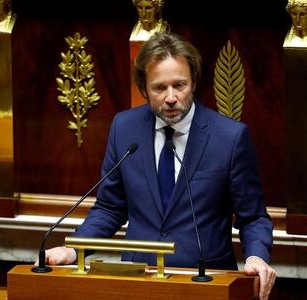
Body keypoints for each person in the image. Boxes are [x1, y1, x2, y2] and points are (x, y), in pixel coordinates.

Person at [42, 32, 276, 299]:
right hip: (138, 282)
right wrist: (73, 250)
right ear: (144, 89)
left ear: (194, 82)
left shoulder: (230, 138)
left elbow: (253, 217)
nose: (171, 97)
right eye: (159, 88)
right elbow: (110, 207)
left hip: (205, 283)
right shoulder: (124, 128)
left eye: (180, 85)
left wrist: (256, 256)